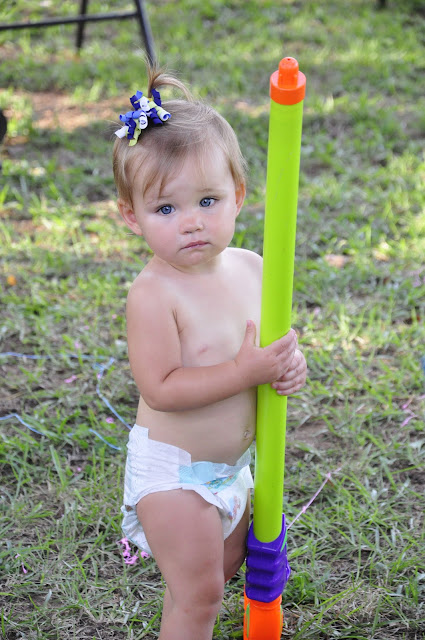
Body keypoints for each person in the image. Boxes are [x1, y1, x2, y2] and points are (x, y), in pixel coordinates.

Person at [113, 65, 307, 640]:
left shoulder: (255, 269)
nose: (192, 223)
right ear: (132, 216)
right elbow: (161, 389)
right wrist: (245, 371)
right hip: (175, 476)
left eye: (207, 200)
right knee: (200, 599)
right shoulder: (154, 294)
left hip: (234, 470)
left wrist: (287, 367)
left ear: (237, 196)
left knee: (213, 580)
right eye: (166, 209)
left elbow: (272, 349)